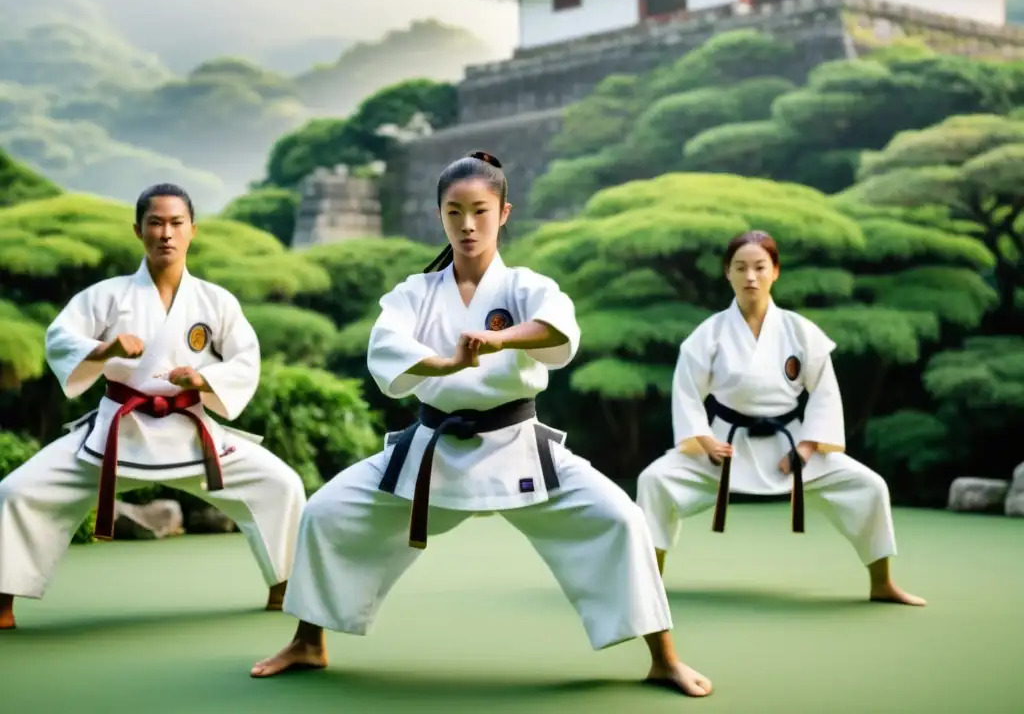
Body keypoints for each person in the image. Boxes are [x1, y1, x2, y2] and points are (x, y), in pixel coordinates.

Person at [249, 152, 713, 697]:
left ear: (503, 212)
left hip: (517, 444)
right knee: (327, 512)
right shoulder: (415, 293)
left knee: (622, 521)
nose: (468, 225)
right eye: (454, 212)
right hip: (431, 451)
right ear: (439, 216)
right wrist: (444, 364)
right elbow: (387, 347)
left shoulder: (523, 286)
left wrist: (498, 339)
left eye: (480, 211)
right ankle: (308, 641)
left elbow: (559, 330)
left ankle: (664, 657)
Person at [0, 183, 307, 630]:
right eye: (156, 223)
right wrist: (105, 351)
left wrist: (204, 379)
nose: (166, 233)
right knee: (17, 492)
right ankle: (2, 600)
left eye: (176, 223)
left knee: (281, 483)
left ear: (192, 230)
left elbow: (245, 359)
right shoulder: (107, 296)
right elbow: (60, 338)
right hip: (116, 435)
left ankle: (285, 585)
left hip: (191, 431)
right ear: (138, 230)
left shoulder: (215, 301)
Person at [636, 230, 926, 607]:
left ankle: (882, 583)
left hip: (789, 446)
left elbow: (823, 392)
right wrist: (706, 442)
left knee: (869, 486)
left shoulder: (799, 330)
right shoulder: (709, 334)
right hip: (725, 445)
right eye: (740, 267)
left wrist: (806, 448)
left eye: (759, 267)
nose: (750, 276)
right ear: (727, 273)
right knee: (654, 480)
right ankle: (648, 584)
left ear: (775, 271)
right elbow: (687, 391)